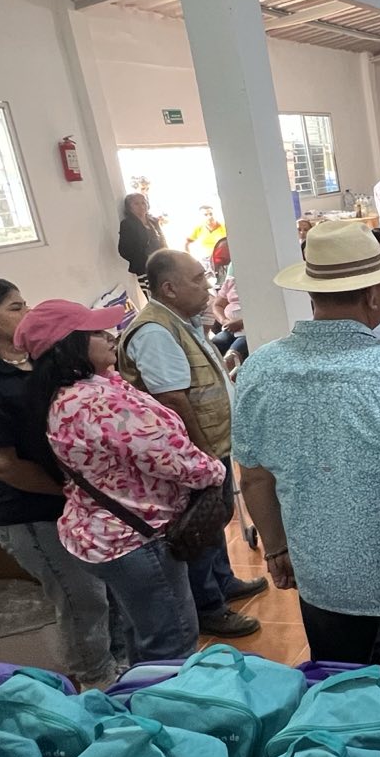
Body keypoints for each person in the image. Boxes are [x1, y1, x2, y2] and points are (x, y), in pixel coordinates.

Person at [232, 221, 380, 679]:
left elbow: (254, 476)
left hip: (321, 579)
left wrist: (276, 549)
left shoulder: (260, 370)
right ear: (374, 296)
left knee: (342, 691)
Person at [21, 300, 226, 662]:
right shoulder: (95, 401)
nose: (110, 336)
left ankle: (141, 690)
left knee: (144, 634)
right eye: (96, 332)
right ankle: (168, 696)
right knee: (172, 642)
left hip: (105, 533)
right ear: (70, 346)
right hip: (136, 537)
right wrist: (215, 470)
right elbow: (165, 455)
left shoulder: (69, 394)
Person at [0, 280, 122, 688]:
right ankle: (96, 683)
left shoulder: (39, 365)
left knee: (112, 592)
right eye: (15, 307)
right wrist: (74, 492)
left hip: (81, 507)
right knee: (83, 601)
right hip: (36, 516)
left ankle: (123, 670)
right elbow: (1, 464)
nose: (28, 312)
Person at [117, 249, 263, 638]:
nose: (207, 285)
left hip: (210, 445)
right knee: (198, 526)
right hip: (193, 453)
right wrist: (202, 454)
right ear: (169, 288)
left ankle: (223, 581)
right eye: (198, 279)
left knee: (215, 516)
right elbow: (173, 400)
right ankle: (209, 607)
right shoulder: (155, 331)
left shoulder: (181, 321)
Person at [118, 194, 166, 295]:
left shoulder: (153, 221)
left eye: (143, 203)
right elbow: (124, 250)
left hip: (161, 264)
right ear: (129, 207)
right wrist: (141, 259)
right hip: (144, 268)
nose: (141, 206)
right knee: (155, 295)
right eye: (136, 204)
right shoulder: (127, 224)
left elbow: (162, 240)